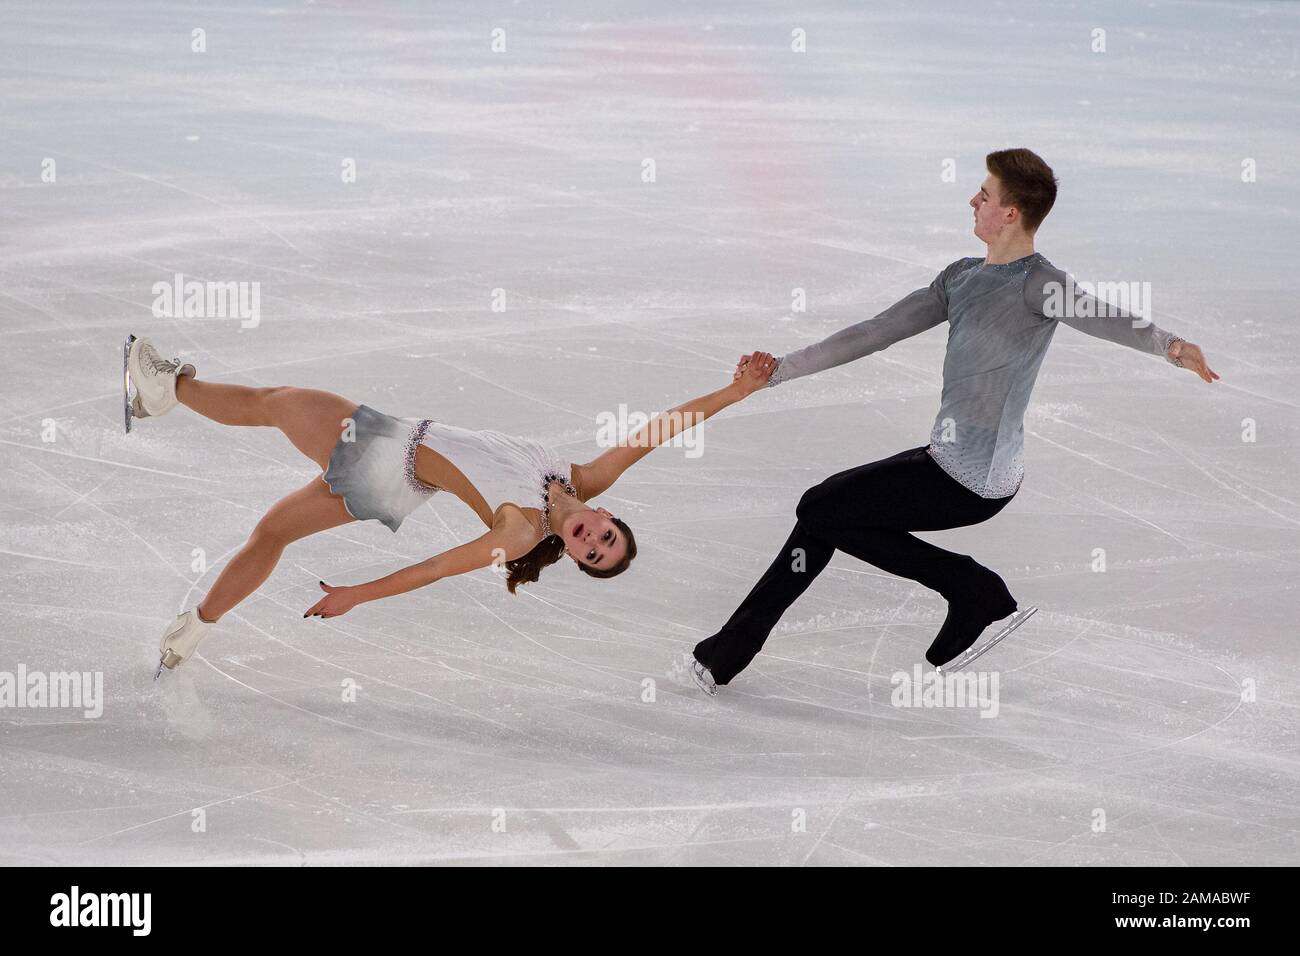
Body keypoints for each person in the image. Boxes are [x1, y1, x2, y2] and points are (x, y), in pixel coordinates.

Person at [689, 147, 1219, 695]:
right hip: (945, 461)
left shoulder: (1039, 284)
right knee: (824, 514)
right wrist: (779, 370)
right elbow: (875, 331)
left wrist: (1171, 346)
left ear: (1010, 213)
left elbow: (1102, 315)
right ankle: (728, 653)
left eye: (984, 195)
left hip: (974, 479)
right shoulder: (961, 277)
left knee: (821, 508)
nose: (973, 200)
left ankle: (971, 585)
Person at [123, 336, 776, 672]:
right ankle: (191, 632)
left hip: (384, 452)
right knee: (271, 533)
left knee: (274, 403)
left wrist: (357, 594)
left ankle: (165, 390)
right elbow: (660, 430)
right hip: (394, 483)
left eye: (592, 557)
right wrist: (736, 392)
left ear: (575, 557)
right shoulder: (580, 478)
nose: (593, 542)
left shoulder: (520, 531)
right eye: (607, 538)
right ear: (606, 518)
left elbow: (437, 568)